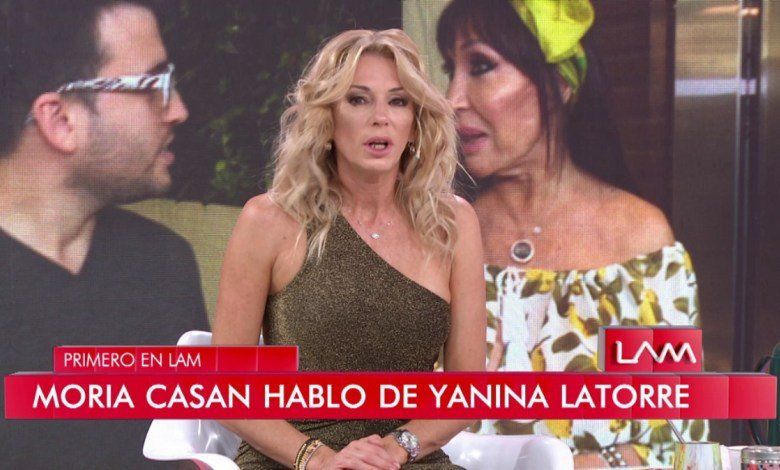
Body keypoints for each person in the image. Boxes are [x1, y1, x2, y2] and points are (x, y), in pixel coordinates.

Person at [436, 0, 705, 467]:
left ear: (560, 83)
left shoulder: (639, 239)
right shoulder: (438, 235)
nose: (452, 98)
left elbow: (675, 439)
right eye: (450, 71)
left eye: (480, 67)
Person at [211, 29, 485, 469]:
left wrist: (395, 449)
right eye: (358, 100)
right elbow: (225, 391)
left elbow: (467, 393)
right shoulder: (269, 221)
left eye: (398, 101)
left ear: (415, 122)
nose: (381, 118)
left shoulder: (454, 224)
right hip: (293, 460)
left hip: (404, 459)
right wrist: (319, 458)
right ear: (327, 119)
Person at [0, 1, 208, 467]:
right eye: (154, 86)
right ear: (60, 120)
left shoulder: (163, 263)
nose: (178, 110)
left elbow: (200, 446)